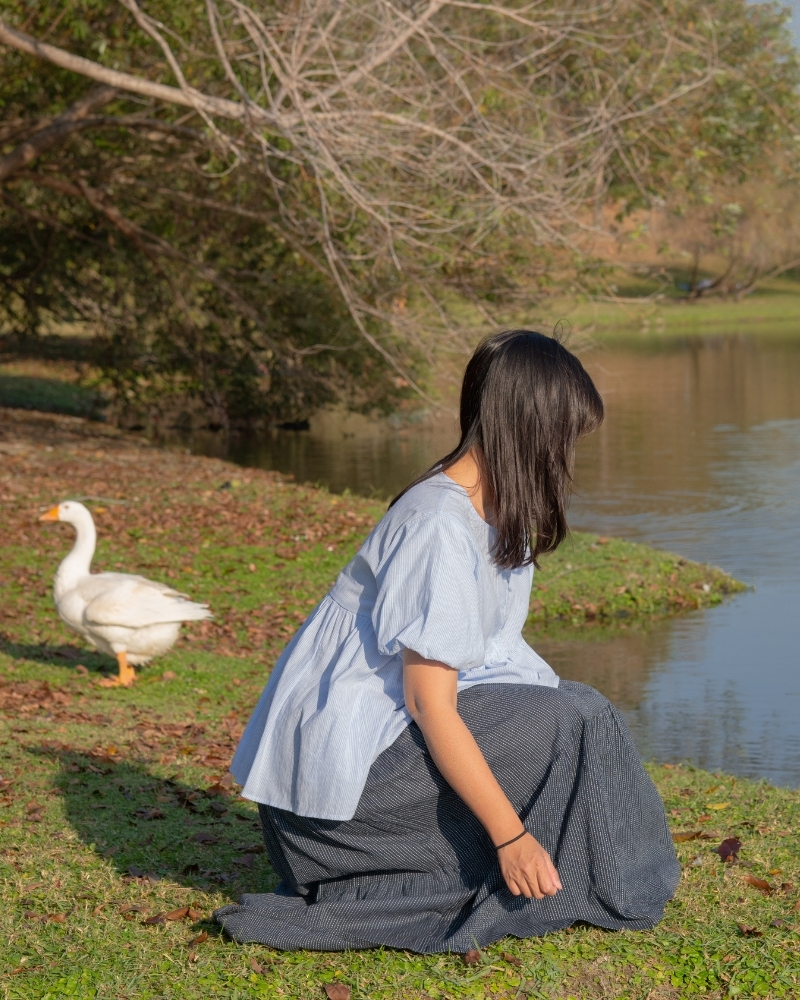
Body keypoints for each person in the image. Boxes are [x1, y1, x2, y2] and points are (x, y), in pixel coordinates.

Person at [215, 330, 680, 953]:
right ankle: (534, 869)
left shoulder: (486, 514)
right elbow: (429, 704)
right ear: (530, 428)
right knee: (570, 716)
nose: (567, 455)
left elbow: (493, 666)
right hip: (330, 817)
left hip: (365, 773)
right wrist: (509, 836)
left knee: (576, 712)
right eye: (565, 436)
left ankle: (587, 872)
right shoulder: (438, 523)